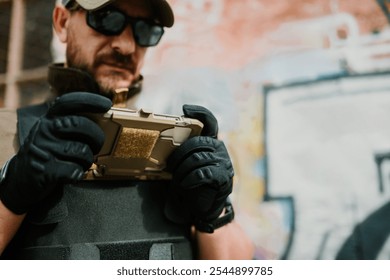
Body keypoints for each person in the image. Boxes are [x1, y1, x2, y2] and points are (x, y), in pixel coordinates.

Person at [0, 0, 254, 260]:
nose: (127, 46)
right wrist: (12, 195)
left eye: (146, 30)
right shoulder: (6, 132)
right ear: (62, 22)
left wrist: (215, 212)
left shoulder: (175, 144)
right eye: (107, 19)